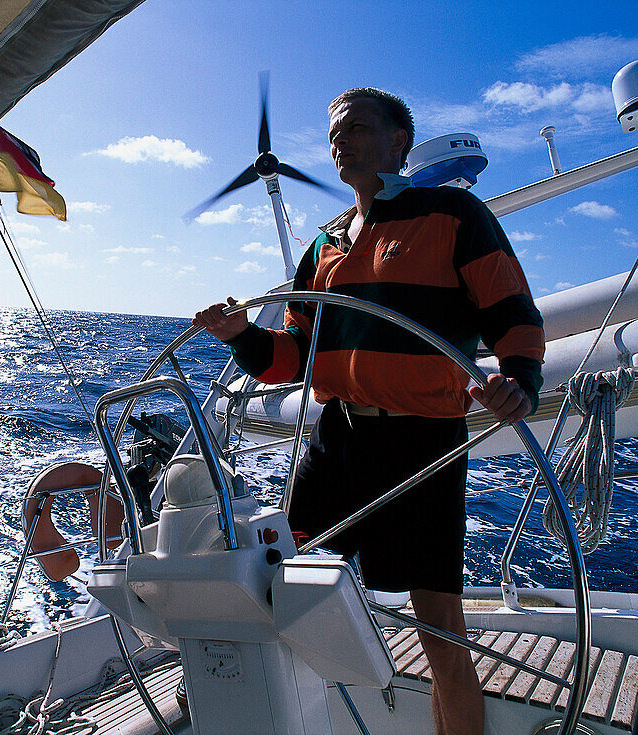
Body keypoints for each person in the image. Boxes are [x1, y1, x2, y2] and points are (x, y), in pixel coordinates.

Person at [193, 88, 544, 735]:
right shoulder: (326, 242)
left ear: (398, 141)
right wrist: (241, 335)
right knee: (276, 585)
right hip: (337, 441)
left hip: (423, 445)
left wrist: (519, 379)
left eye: (356, 128)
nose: (339, 140)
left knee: (439, 624)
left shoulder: (454, 214)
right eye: (334, 131)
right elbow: (290, 357)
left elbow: (513, 313)